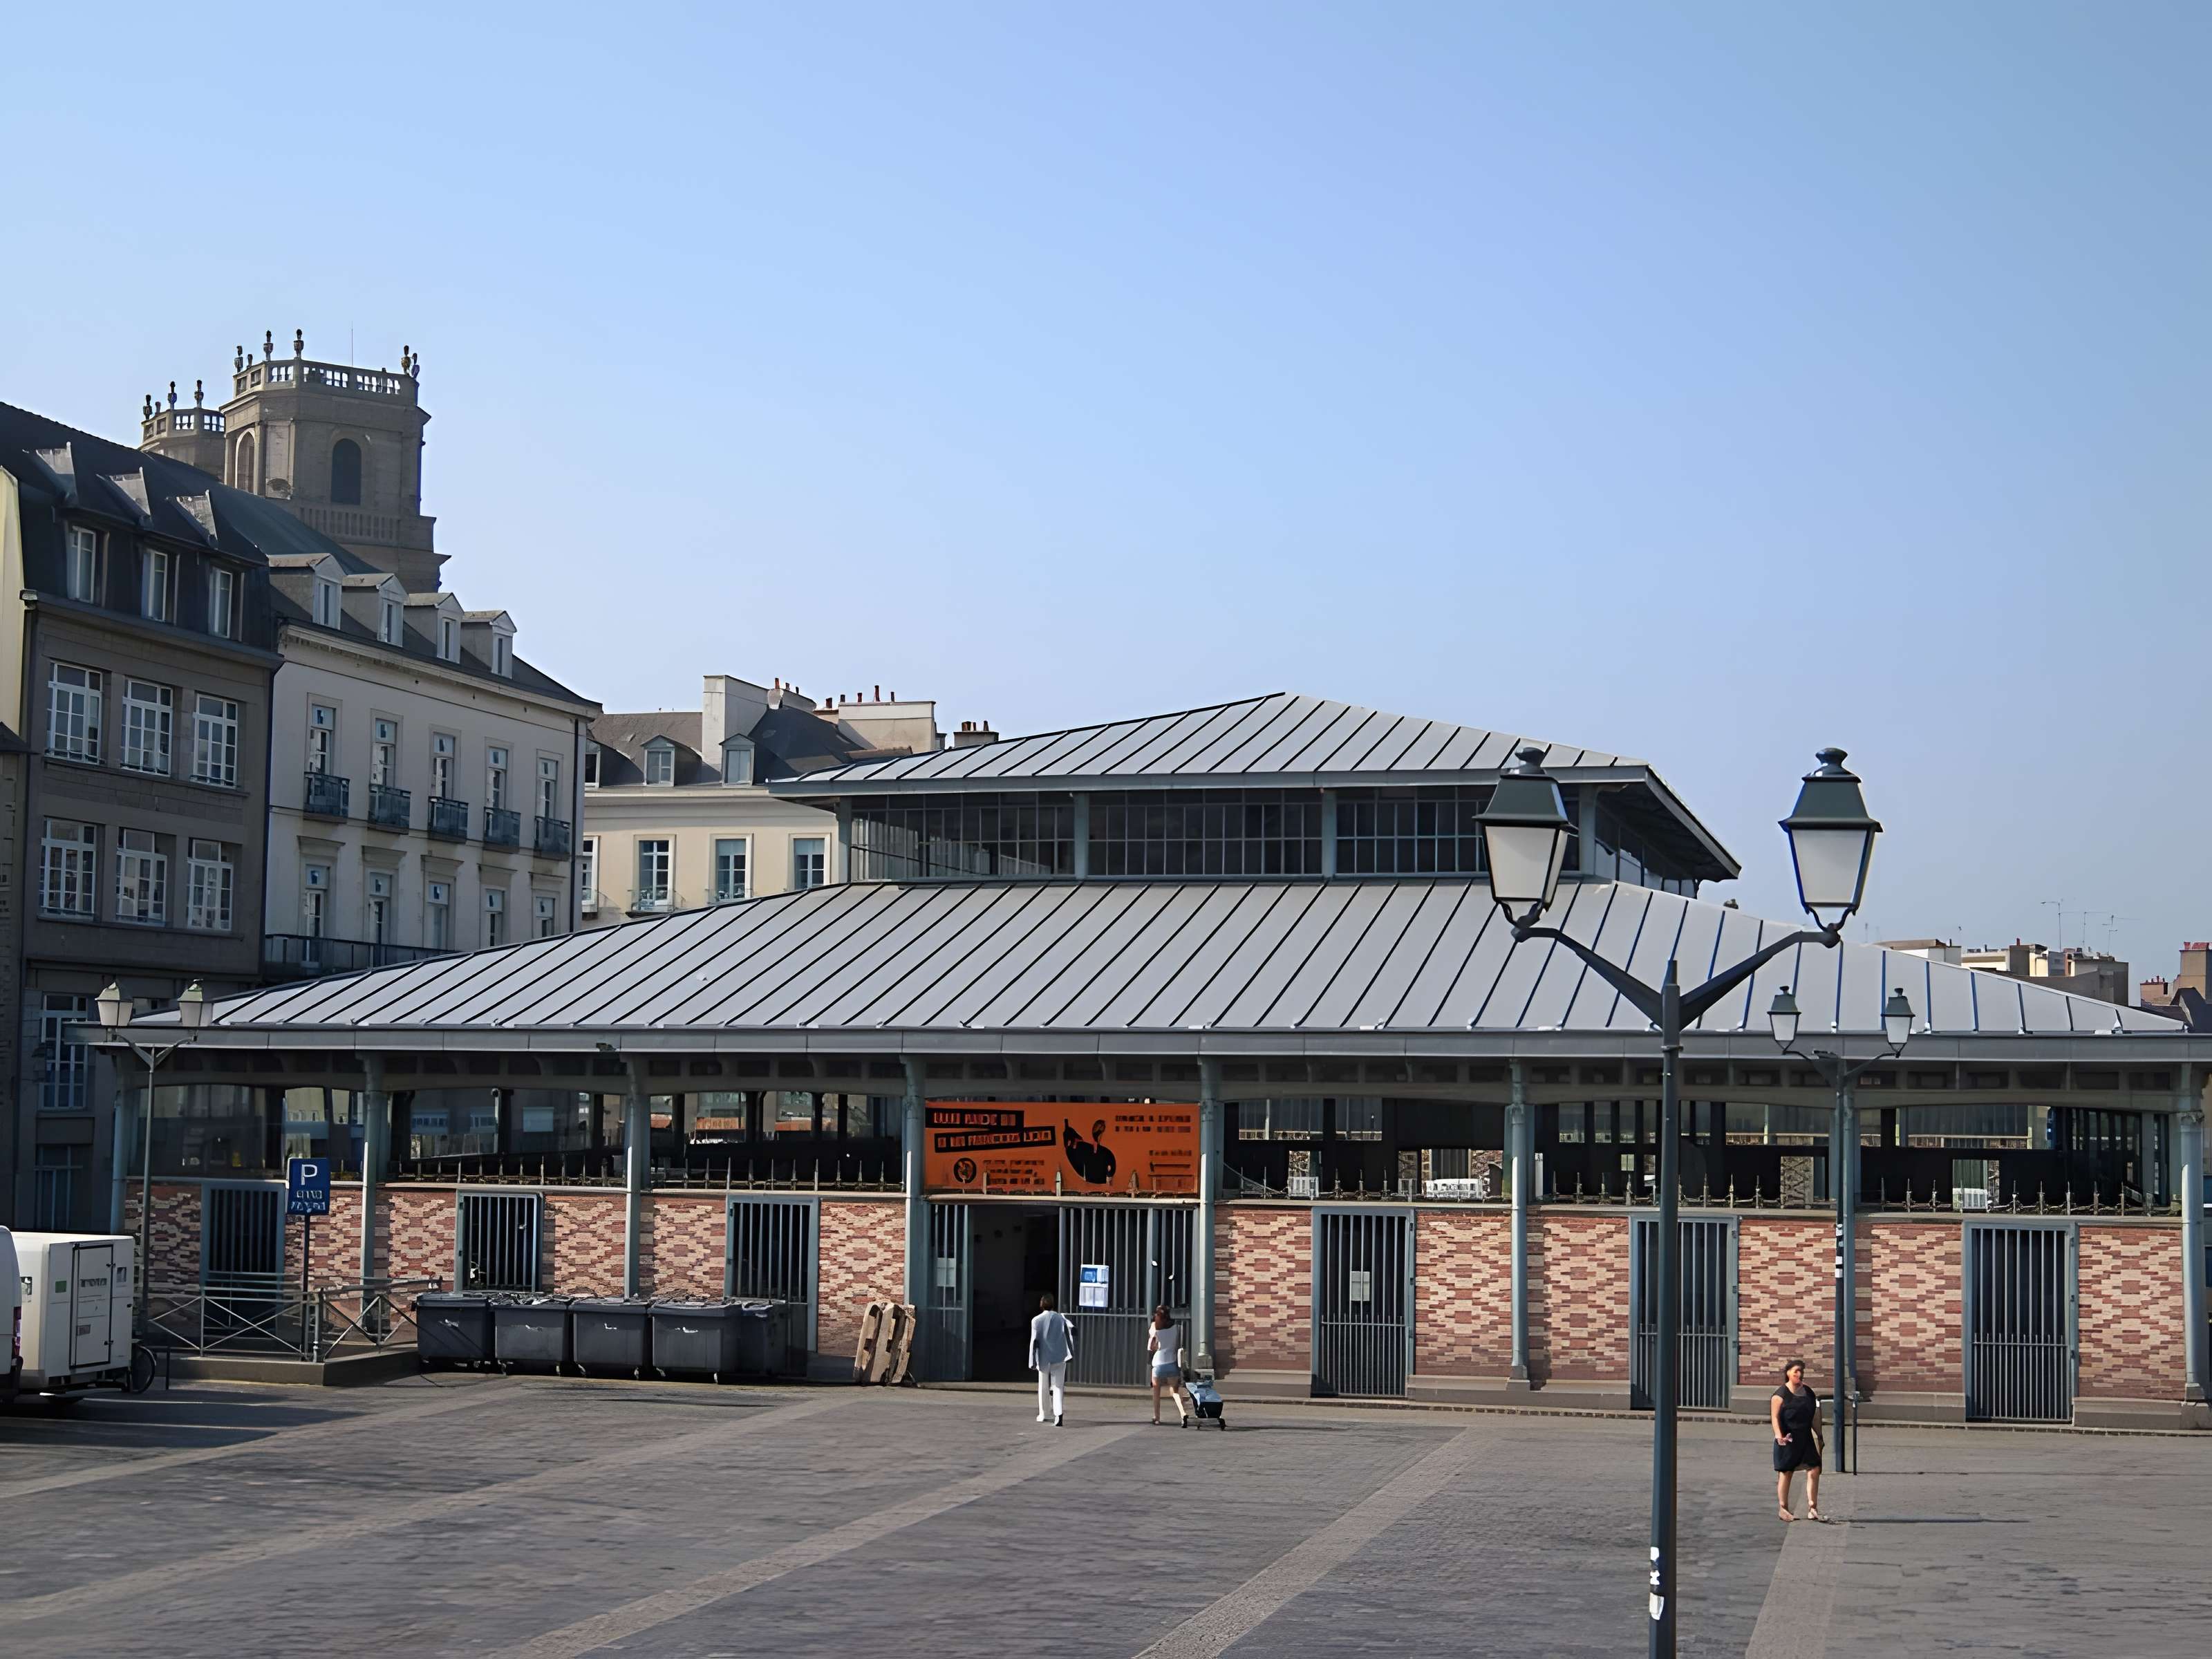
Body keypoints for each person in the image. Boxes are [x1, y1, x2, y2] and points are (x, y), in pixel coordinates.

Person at [1770, 1358, 1824, 1521]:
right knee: (1786, 1472)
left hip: (1805, 1437)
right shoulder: (1780, 1395)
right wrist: (1779, 1436)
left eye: (1801, 1371)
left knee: (1814, 1469)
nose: (1799, 1375)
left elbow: (1814, 1415)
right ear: (1788, 1374)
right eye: (1796, 1372)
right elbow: (1774, 1417)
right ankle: (1783, 1508)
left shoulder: (1808, 1392)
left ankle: (1813, 1507)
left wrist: (1819, 1435)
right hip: (1788, 1438)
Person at [1029, 1292, 1074, 1426]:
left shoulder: (1036, 1320)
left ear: (1041, 1305)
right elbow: (1069, 1332)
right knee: (1059, 1386)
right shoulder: (1061, 1318)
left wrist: (1032, 1361)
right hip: (1060, 1356)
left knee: (1043, 1386)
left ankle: (1044, 1414)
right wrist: (1070, 1354)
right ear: (1053, 1304)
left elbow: (1034, 1342)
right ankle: (1059, 1414)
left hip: (1044, 1357)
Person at [1147, 1304, 1192, 1426]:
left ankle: (1157, 1418)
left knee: (1156, 1392)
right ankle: (1183, 1414)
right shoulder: (1176, 1328)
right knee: (1175, 1392)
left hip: (1158, 1364)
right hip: (1172, 1363)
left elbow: (1150, 1347)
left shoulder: (1155, 1328)